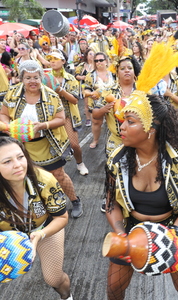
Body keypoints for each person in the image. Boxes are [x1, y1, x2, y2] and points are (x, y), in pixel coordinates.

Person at [105, 93, 178, 300]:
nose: (121, 127)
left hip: (173, 228)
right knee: (114, 289)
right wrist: (121, 233)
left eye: (130, 122)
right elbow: (110, 202)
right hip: (131, 227)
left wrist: (176, 231)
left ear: (151, 129)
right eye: (123, 121)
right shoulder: (116, 160)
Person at [0, 60, 83, 218]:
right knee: (27, 177)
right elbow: (3, 113)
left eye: (36, 77)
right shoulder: (12, 93)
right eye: (28, 78)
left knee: (58, 175)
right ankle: (40, 208)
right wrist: (8, 126)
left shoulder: (51, 95)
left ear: (41, 78)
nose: (32, 81)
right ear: (21, 79)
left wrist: (42, 125)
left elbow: (61, 118)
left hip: (47, 143)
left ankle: (75, 200)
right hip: (21, 146)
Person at [0, 136, 73, 300]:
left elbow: (61, 217)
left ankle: (67, 296)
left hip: (44, 229)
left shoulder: (44, 180)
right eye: (7, 162)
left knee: (53, 278)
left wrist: (40, 235)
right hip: (7, 238)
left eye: (20, 157)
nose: (18, 165)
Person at [47, 50, 89, 176]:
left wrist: (59, 89)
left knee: (74, 144)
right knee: (51, 146)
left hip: (67, 115)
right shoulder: (45, 78)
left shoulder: (70, 78)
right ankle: (57, 172)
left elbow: (75, 100)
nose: (52, 61)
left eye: (55, 58)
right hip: (49, 116)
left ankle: (80, 163)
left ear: (63, 61)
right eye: (50, 59)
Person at [84, 51, 115, 148]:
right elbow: (86, 90)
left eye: (101, 60)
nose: (98, 62)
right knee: (97, 122)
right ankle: (95, 140)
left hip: (113, 102)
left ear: (106, 61)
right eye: (96, 61)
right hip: (97, 104)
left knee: (114, 122)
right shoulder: (91, 75)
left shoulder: (113, 73)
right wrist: (91, 94)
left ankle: (115, 139)